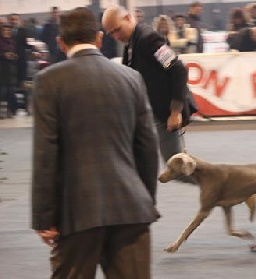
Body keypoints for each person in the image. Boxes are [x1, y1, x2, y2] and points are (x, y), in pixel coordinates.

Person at [31, 7, 159, 278]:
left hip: (77, 213)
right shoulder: (131, 78)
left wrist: (44, 218)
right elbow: (147, 147)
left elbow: (46, 154)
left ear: (60, 42)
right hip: (131, 209)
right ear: (100, 39)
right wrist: (144, 201)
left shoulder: (48, 81)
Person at [102, 5, 189, 164]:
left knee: (178, 168)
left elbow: (178, 70)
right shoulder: (131, 44)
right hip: (149, 114)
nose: (115, 36)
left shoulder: (149, 39)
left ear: (128, 18)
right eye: (111, 33)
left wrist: (176, 112)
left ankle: (219, 184)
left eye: (117, 30)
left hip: (165, 115)